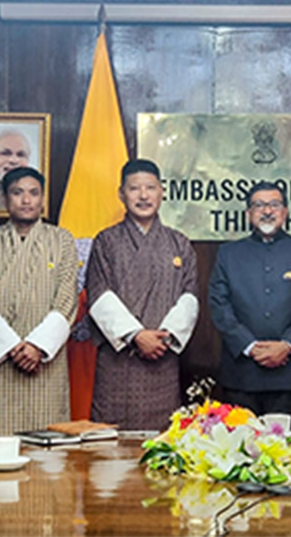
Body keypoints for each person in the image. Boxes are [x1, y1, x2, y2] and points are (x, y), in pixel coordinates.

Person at [0, 167, 80, 438]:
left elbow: (66, 300)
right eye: (18, 193)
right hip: (1, 364)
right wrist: (14, 348)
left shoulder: (61, 240)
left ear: (42, 199)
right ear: (5, 199)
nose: (26, 200)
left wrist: (37, 347)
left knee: (46, 460)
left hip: (45, 366)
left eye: (33, 193)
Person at [84, 159, 199, 430]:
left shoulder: (179, 242)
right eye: (135, 188)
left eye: (150, 188)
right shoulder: (106, 241)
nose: (143, 195)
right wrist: (136, 335)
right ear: (121, 194)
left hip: (163, 354)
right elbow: (98, 295)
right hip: (119, 360)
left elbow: (190, 295)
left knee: (162, 441)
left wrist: (164, 336)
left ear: (162, 192)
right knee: (111, 449)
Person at [209, 181, 291, 424]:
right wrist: (250, 346)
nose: (267, 211)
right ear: (248, 213)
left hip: (290, 372)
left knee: (286, 452)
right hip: (241, 372)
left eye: (274, 205)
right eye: (259, 205)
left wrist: (287, 344)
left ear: (285, 212)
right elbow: (219, 305)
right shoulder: (228, 253)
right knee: (238, 452)